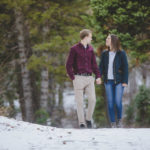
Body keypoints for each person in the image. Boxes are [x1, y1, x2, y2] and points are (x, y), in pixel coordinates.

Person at [66, 29, 101, 129]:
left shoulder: (91, 49)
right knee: (79, 102)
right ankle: (81, 123)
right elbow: (68, 65)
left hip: (89, 78)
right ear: (85, 37)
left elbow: (94, 64)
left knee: (92, 100)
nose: (91, 38)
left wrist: (98, 76)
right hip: (78, 78)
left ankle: (88, 119)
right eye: (90, 36)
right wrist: (73, 77)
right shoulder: (74, 49)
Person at [99, 34, 128, 128]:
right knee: (110, 103)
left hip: (119, 81)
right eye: (106, 38)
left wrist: (125, 81)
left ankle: (119, 120)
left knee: (118, 101)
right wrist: (98, 77)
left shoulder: (121, 53)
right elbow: (101, 67)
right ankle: (113, 123)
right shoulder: (104, 53)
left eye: (108, 38)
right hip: (108, 82)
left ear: (113, 41)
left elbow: (125, 68)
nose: (106, 39)